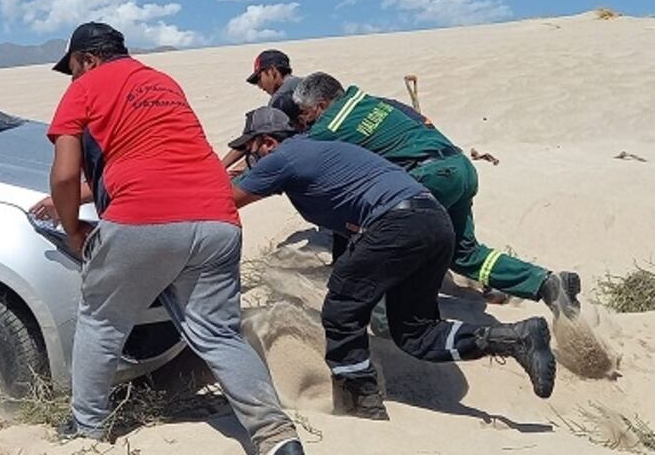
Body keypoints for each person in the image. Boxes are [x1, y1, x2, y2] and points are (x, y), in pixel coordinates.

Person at [37, 22, 303, 455]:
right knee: (218, 335)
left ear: (87, 59)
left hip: (143, 218)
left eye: (73, 69)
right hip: (218, 218)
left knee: (102, 320)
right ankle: (276, 435)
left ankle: (85, 428)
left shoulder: (84, 87)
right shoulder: (162, 81)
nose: (72, 78)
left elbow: (65, 174)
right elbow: (159, 157)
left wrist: (72, 229)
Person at [229, 107, 556, 419]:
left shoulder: (283, 156)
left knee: (341, 309)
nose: (249, 159)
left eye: (249, 150)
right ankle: (516, 338)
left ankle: (362, 404)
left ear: (268, 142)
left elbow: (225, 201)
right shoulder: (320, 147)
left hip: (397, 222)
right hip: (433, 221)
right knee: (416, 333)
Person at [291, 72, 581, 318]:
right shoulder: (374, 102)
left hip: (428, 178)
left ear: (322, 105)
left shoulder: (330, 126)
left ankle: (379, 319)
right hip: (459, 167)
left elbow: (294, 158)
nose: (305, 120)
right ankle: (546, 284)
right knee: (465, 254)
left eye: (305, 113)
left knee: (380, 237)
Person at [220, 49, 301, 173]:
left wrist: (226, 169)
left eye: (259, 78)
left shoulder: (281, 98)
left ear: (272, 71)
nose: (259, 85)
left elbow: (259, 140)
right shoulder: (304, 84)